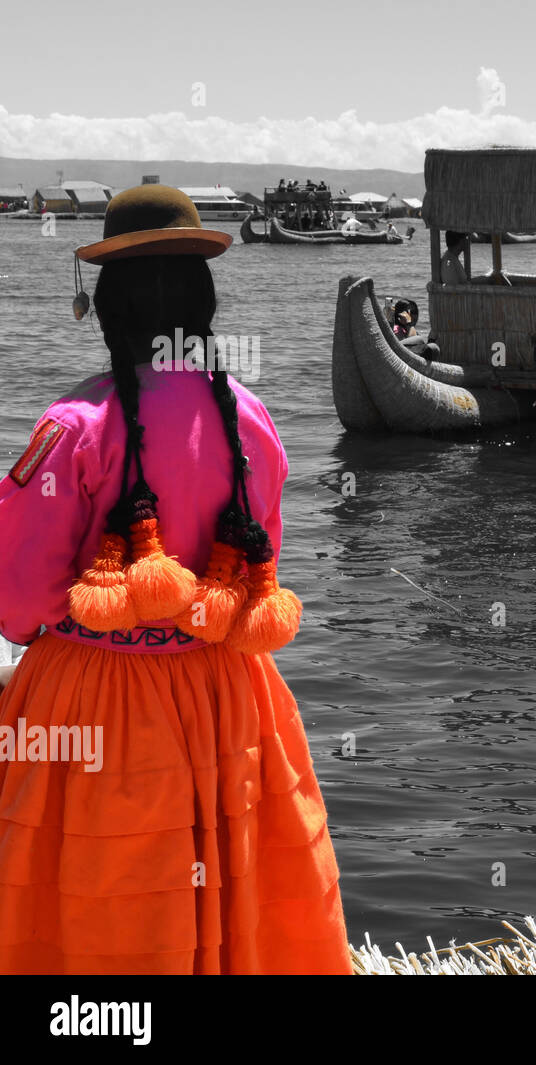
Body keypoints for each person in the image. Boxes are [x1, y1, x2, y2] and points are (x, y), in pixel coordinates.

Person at [0, 185, 351, 974]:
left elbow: (16, 602)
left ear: (108, 306)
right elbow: (260, 577)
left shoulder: (72, 429)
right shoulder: (251, 422)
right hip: (231, 699)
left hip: (97, 711)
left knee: (105, 913)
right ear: (205, 299)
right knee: (241, 892)